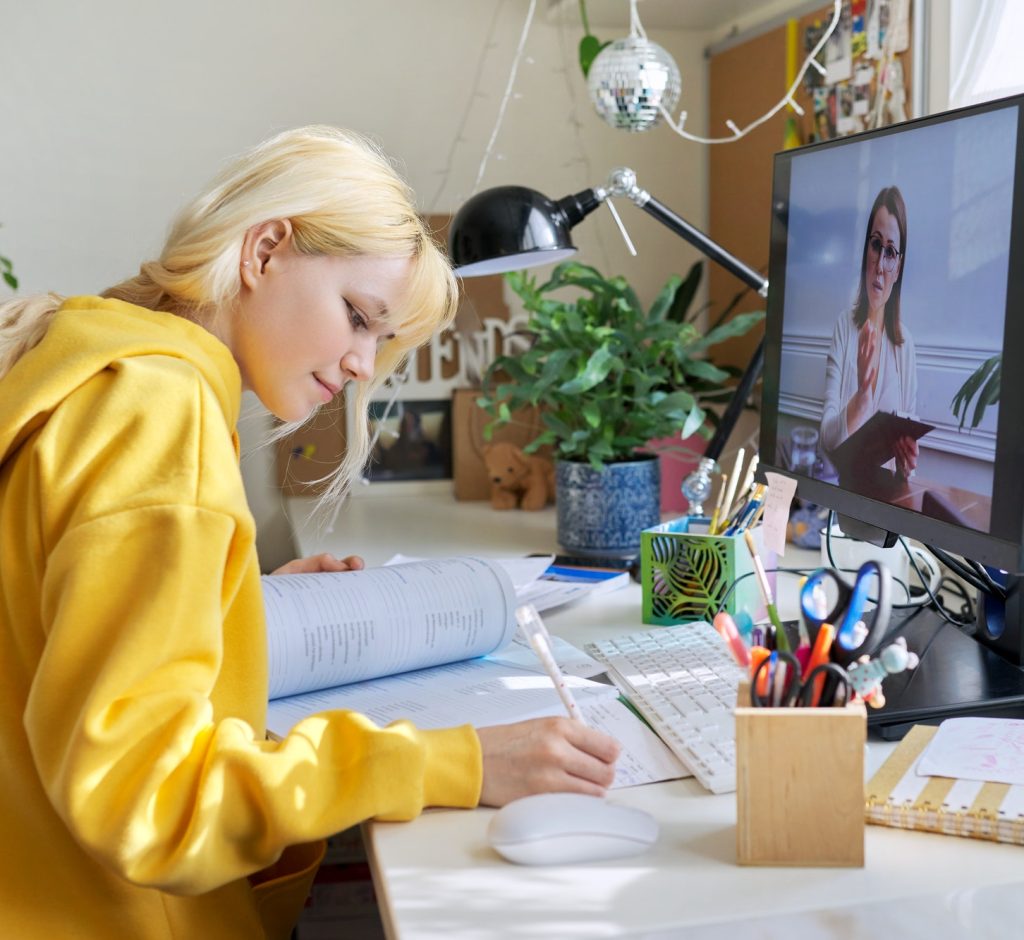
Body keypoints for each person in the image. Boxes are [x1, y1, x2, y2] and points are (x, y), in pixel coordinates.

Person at [0, 126, 620, 939]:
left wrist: (227, 606)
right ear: (264, 251)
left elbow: (42, 629)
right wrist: (454, 760)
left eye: (380, 339)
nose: (363, 363)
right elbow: (148, 799)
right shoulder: (160, 413)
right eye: (358, 316)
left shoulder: (93, 364)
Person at [820, 185, 918, 480]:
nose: (879, 266)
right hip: (840, 495)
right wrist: (862, 396)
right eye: (876, 245)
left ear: (898, 267)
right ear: (866, 250)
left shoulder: (906, 346)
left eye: (890, 252)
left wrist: (907, 463)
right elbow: (826, 440)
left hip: (885, 503)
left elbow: (906, 471)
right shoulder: (843, 326)